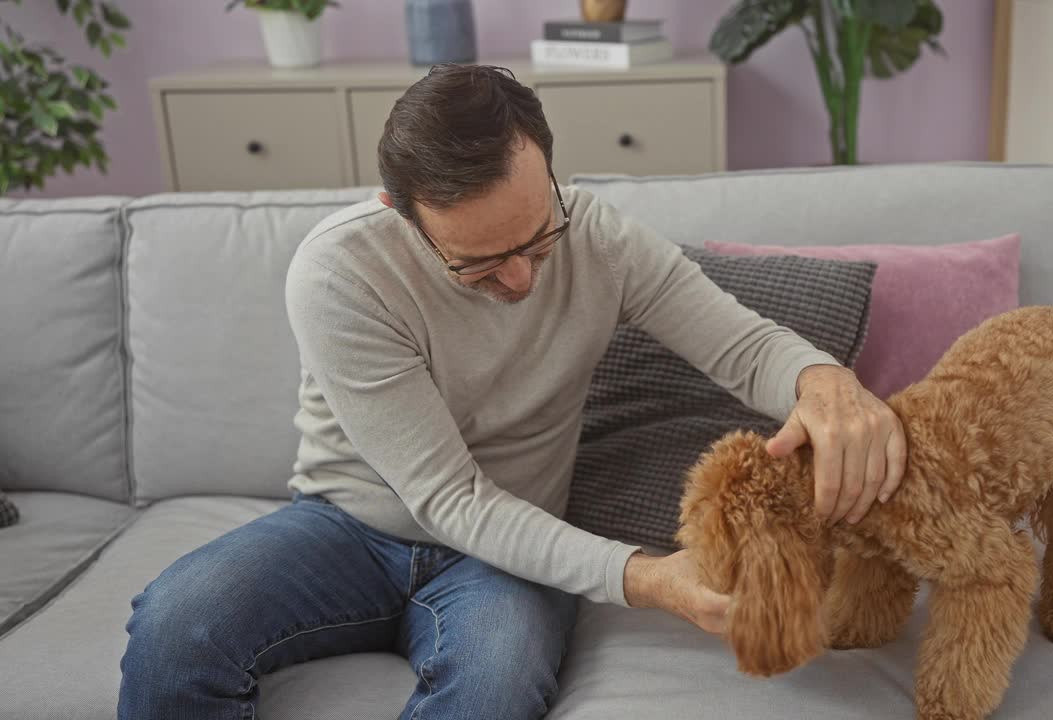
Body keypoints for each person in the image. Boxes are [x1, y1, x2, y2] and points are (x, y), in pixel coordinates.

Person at [117, 64, 905, 720]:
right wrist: (650, 577)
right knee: (174, 628)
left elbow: (741, 344)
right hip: (347, 530)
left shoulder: (599, 237)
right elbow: (449, 499)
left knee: (495, 687)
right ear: (402, 214)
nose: (524, 278)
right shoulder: (340, 274)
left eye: (538, 239)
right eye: (480, 264)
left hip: (512, 550)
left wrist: (823, 381)